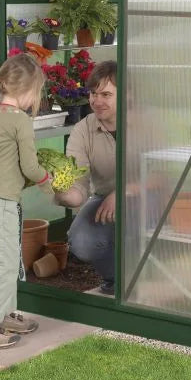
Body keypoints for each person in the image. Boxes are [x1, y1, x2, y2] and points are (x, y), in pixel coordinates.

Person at [0, 53, 53, 348]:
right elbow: (30, 167)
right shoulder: (20, 121)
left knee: (4, 259)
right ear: (28, 91)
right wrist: (48, 180)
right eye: (37, 92)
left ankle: (1, 315)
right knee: (0, 263)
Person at [54, 60, 118, 295]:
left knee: (137, 225)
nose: (97, 101)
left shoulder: (143, 121)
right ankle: (117, 280)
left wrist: (123, 192)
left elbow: (162, 174)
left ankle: (148, 276)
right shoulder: (83, 130)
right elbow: (78, 184)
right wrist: (63, 191)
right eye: (93, 93)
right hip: (104, 199)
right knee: (81, 240)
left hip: (147, 194)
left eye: (106, 94)